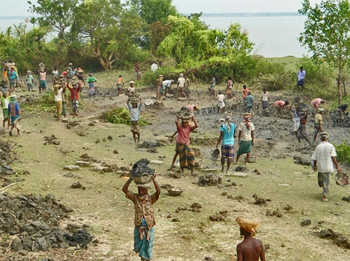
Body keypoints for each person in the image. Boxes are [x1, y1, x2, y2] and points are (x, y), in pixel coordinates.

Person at [122, 175, 161, 261]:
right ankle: (142, 258)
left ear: (147, 190)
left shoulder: (151, 199)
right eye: (139, 190)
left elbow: (158, 191)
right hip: (139, 225)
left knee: (147, 243)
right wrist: (131, 179)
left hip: (148, 225)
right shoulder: (135, 198)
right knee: (139, 243)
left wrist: (153, 180)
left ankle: (146, 258)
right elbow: (124, 190)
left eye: (143, 190)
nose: (141, 192)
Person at [312, 132, 341, 202]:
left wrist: (315, 165)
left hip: (320, 167)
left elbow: (314, 158)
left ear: (321, 139)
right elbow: (333, 158)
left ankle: (324, 194)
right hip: (328, 167)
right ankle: (325, 193)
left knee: (321, 181)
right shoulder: (331, 146)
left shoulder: (318, 147)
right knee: (325, 182)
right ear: (327, 138)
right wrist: (337, 167)